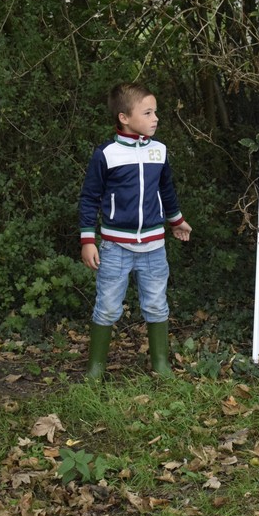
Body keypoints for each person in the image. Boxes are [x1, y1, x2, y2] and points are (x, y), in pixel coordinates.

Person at [79, 83, 192, 379]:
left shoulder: (159, 151)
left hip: (154, 247)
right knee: (107, 307)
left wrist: (177, 220)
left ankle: (160, 363)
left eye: (155, 112)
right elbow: (90, 198)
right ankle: (95, 368)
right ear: (124, 118)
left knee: (156, 305)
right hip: (115, 247)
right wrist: (88, 239)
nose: (156, 118)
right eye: (148, 113)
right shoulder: (107, 154)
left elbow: (166, 190)